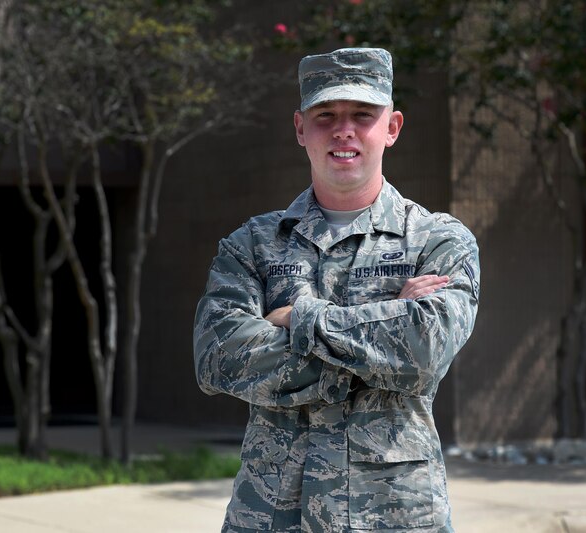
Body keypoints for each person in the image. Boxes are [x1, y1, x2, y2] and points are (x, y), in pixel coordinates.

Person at [193, 47, 480, 532]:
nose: (343, 130)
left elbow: (424, 349)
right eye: (326, 115)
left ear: (391, 128)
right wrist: (385, 329)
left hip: (393, 515)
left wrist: (293, 318)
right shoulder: (252, 245)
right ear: (301, 128)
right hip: (271, 513)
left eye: (362, 115)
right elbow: (217, 358)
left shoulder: (438, 240)